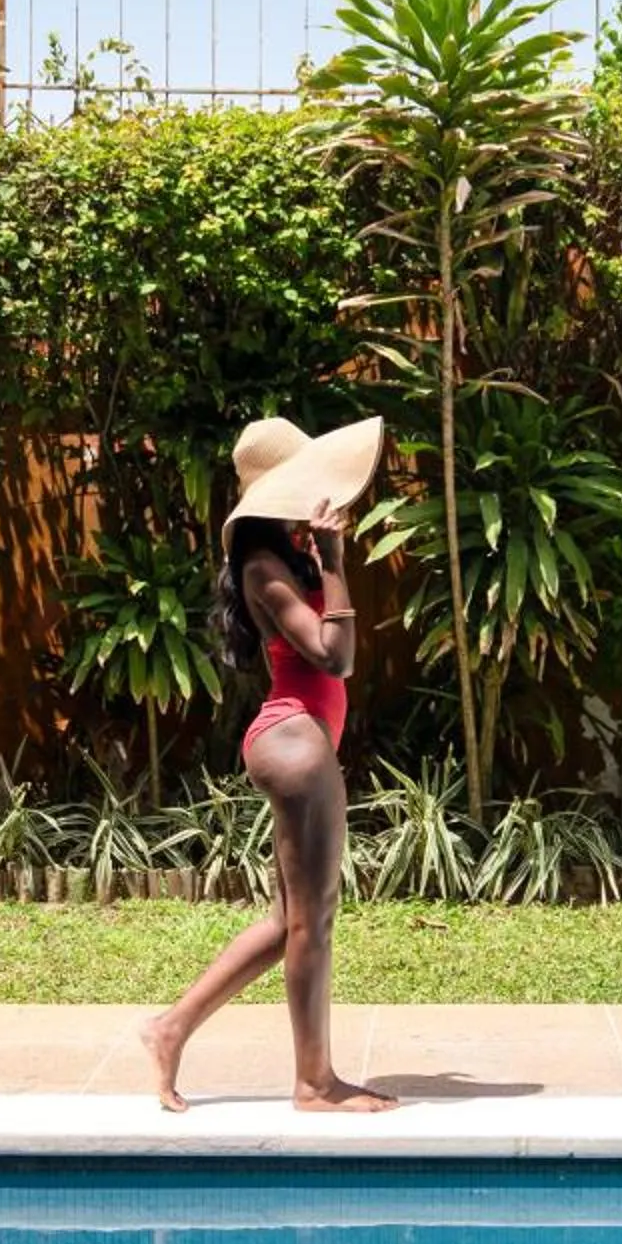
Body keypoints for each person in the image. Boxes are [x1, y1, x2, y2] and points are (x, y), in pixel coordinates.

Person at [143, 414, 397, 1113]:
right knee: (314, 921)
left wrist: (323, 560)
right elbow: (335, 655)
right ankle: (314, 1082)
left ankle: (170, 1029)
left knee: (290, 917)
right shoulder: (264, 567)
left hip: (303, 739)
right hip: (296, 742)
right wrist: (337, 564)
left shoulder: (286, 558)